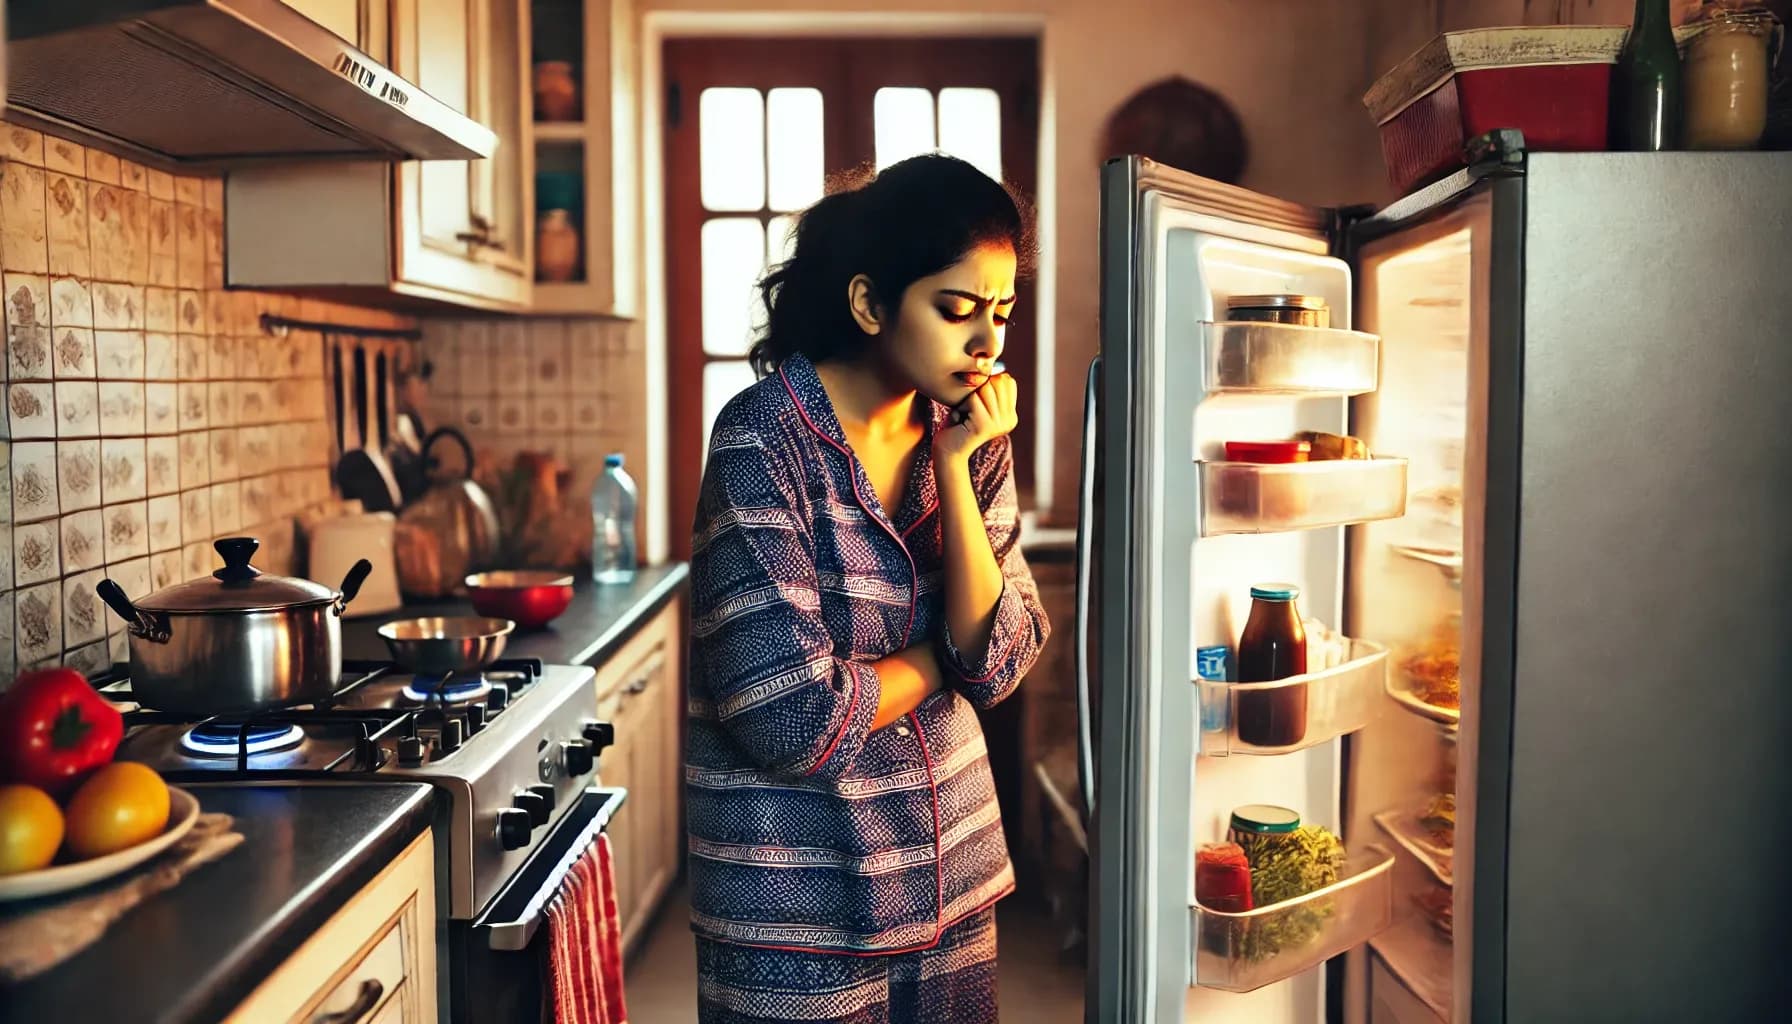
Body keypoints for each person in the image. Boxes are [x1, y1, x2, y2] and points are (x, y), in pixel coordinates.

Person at [685, 152, 1051, 1024]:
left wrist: (958, 470)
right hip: (791, 912)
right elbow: (788, 717)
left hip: (951, 883)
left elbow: (1001, 658)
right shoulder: (762, 440)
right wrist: (941, 657)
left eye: (1000, 311)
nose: (988, 343)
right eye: (956, 309)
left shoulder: (971, 433)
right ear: (869, 303)